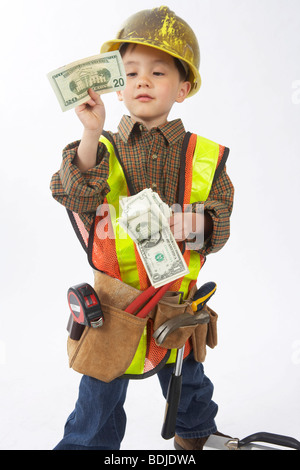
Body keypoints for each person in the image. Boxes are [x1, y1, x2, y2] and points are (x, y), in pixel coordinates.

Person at [50, 6, 234, 450]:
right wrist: (91, 133)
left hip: (177, 301)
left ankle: (195, 437)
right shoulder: (102, 146)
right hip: (115, 306)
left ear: (184, 88)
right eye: (131, 73)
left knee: (187, 380)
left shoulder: (204, 154)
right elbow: (76, 193)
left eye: (158, 72)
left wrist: (198, 222)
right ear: (117, 85)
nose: (143, 81)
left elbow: (220, 219)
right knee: (101, 388)